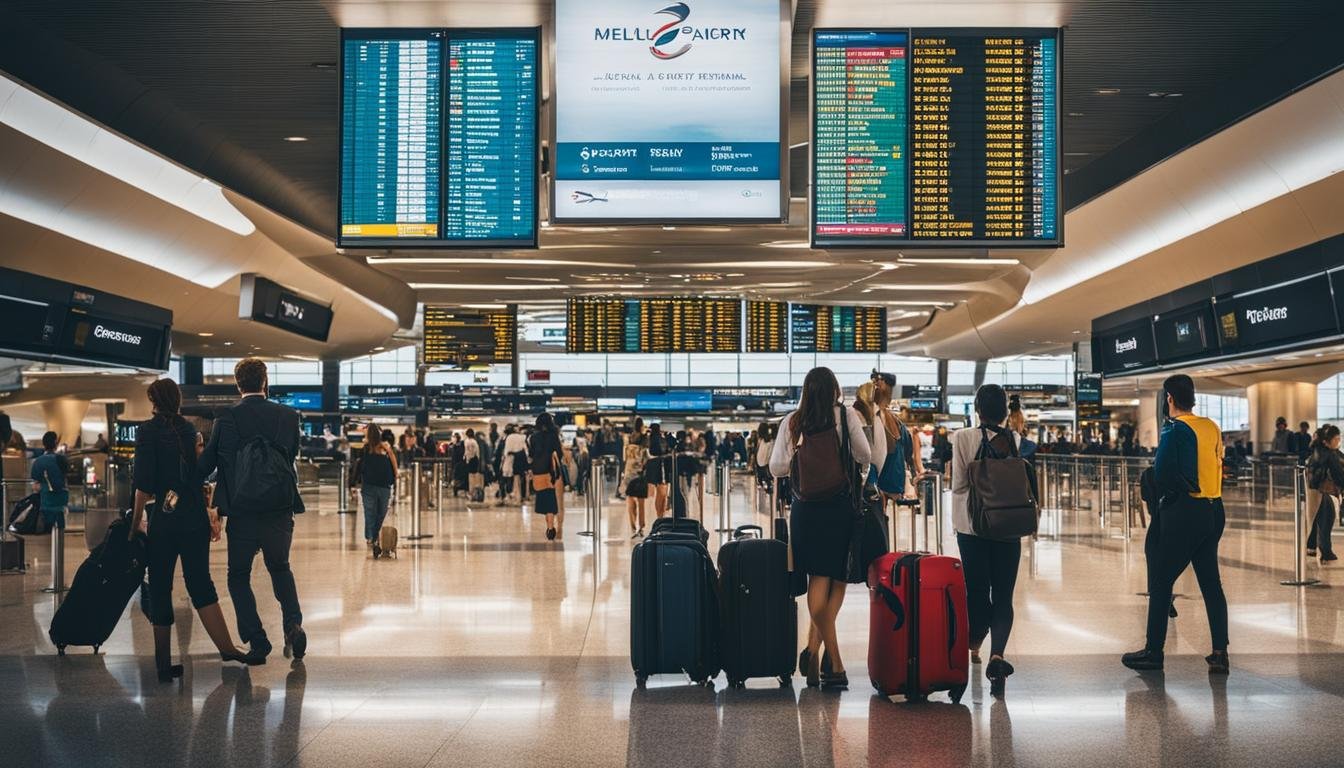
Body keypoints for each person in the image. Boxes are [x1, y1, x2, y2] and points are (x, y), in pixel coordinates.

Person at [133, 379, 258, 680]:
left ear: (153, 400)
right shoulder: (188, 430)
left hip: (164, 519)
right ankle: (227, 648)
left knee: (161, 586)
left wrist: (136, 521)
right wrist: (208, 513)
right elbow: (195, 478)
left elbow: (144, 485)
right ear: (177, 400)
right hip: (192, 519)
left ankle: (163, 664)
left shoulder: (147, 432)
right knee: (201, 583)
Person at [769, 367, 873, 690]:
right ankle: (836, 663)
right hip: (840, 507)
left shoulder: (792, 421)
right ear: (834, 390)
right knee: (837, 576)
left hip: (805, 511)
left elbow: (776, 467)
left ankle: (814, 649)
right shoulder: (846, 416)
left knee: (817, 577)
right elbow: (864, 454)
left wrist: (801, 460)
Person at [198, 358, 307, 662]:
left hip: (242, 510)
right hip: (279, 508)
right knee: (280, 567)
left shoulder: (227, 417)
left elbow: (209, 463)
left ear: (238, 384)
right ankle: (293, 625)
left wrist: (181, 477)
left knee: (238, 575)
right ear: (264, 381)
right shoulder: (287, 416)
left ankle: (257, 641)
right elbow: (291, 456)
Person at [1122, 374, 1229, 674]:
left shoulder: (1174, 429)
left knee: (1160, 580)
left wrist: (1172, 492)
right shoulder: (1211, 426)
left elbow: (1163, 472)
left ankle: (1153, 652)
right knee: (1211, 583)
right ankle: (1220, 652)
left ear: (1169, 398)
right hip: (1214, 509)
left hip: (1186, 512)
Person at [949, 384, 1029, 691]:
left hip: (973, 527)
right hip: (1009, 525)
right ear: (1005, 412)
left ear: (977, 410)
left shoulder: (964, 438)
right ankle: (998, 655)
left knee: (978, 591)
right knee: (1004, 594)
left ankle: (973, 645)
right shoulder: (1016, 439)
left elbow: (958, 485)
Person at [355, 424, 398, 557]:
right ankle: (372, 537)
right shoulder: (369, 448)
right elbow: (360, 464)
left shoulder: (382, 447)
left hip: (375, 484)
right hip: (377, 485)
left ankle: (372, 536)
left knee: (374, 511)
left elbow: (392, 459)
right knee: (376, 511)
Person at [1305, 425, 1343, 562]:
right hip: (1322, 491)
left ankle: (1313, 547)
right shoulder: (1329, 454)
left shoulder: (1318, 450)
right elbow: (1339, 475)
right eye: (1337, 439)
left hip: (1315, 491)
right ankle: (1325, 552)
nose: (1339, 441)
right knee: (1327, 519)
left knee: (1319, 518)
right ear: (1328, 440)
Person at [529, 413, 565, 540]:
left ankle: (549, 526)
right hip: (551, 472)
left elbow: (531, 455)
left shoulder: (533, 437)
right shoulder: (553, 436)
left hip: (538, 472)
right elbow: (559, 454)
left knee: (544, 499)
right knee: (551, 499)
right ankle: (552, 528)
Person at [31, 431, 69, 530]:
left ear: (44, 444)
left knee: (46, 530)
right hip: (61, 502)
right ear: (56, 443)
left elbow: (35, 484)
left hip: (45, 502)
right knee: (60, 530)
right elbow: (65, 477)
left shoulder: (38, 461)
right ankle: (59, 544)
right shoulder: (62, 459)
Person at [624, 433, 649, 537]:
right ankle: (641, 528)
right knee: (641, 504)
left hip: (629, 478)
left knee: (631, 505)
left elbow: (625, 463)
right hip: (640, 479)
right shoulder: (644, 451)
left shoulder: (627, 450)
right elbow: (645, 464)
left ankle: (633, 527)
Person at [646, 423, 672, 518]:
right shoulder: (659, 439)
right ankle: (661, 515)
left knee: (661, 493)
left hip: (658, 468)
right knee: (662, 493)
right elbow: (662, 451)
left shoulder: (651, 439)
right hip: (662, 467)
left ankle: (660, 515)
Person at [502, 424, 529, 504]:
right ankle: (520, 496)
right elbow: (526, 450)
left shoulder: (509, 438)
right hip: (521, 460)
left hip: (510, 461)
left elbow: (506, 452)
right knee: (520, 478)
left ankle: (513, 496)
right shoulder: (523, 437)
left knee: (511, 479)